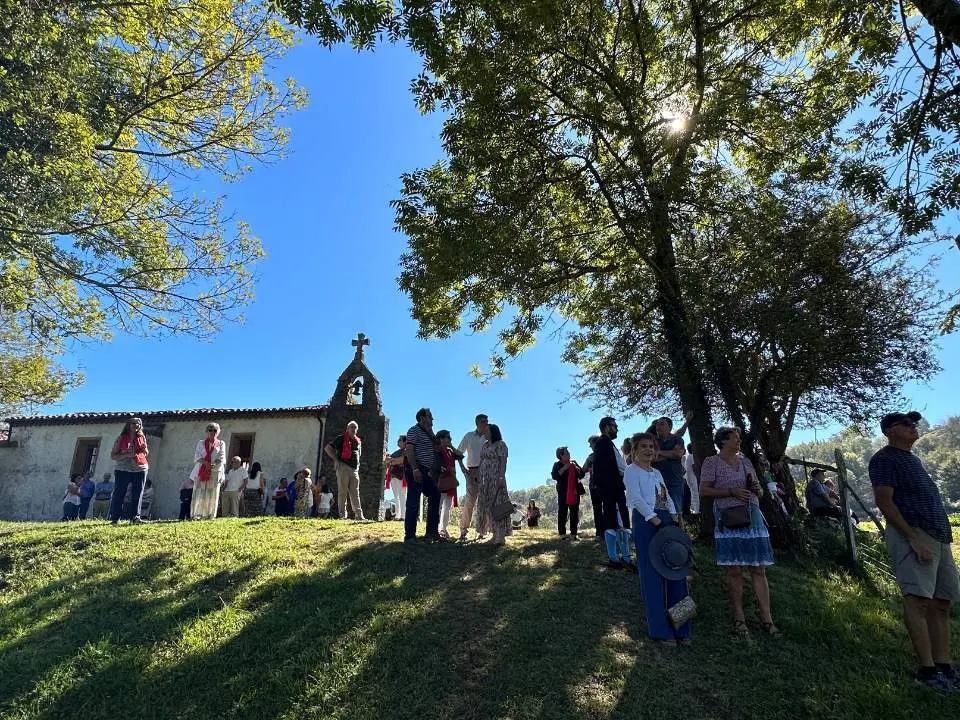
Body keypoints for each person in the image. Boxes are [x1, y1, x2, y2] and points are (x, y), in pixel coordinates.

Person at [870, 411, 959, 693]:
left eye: (914, 423)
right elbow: (884, 501)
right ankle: (927, 670)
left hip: (939, 536)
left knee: (942, 603)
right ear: (889, 430)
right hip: (916, 534)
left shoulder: (913, 460)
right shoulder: (884, 459)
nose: (913, 427)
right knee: (918, 600)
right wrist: (912, 538)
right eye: (906, 424)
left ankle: (944, 665)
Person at [699, 427, 780, 638]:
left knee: (758, 569)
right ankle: (738, 617)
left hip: (752, 515)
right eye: (735, 437)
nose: (738, 440)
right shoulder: (712, 462)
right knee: (734, 570)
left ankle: (767, 619)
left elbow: (760, 492)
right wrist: (731, 491)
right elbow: (704, 490)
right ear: (723, 441)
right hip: (728, 518)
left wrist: (756, 489)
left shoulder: (745, 461)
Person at [625, 432, 691, 642]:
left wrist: (673, 517)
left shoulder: (656, 473)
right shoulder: (631, 471)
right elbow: (635, 498)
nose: (648, 450)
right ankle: (661, 630)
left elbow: (667, 496)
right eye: (643, 446)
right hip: (647, 522)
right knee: (652, 577)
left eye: (651, 447)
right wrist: (656, 521)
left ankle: (683, 628)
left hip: (666, 520)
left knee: (678, 572)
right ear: (635, 450)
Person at [403, 408, 443, 543]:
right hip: (415, 468)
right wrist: (415, 469)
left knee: (435, 495)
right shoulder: (414, 430)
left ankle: (431, 533)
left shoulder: (430, 434)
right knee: (413, 501)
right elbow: (409, 450)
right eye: (430, 416)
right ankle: (409, 536)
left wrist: (431, 433)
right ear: (422, 418)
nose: (432, 419)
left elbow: (437, 448)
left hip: (427, 471)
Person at [474, 423, 511, 546]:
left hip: (496, 477)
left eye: (487, 430)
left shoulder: (501, 444)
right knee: (488, 505)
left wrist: (501, 477)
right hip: (485, 479)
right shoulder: (485, 445)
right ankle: (494, 533)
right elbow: (481, 462)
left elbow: (503, 461)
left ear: (492, 432)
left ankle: (500, 536)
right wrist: (479, 477)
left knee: (498, 505)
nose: (484, 431)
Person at [592, 417, 630, 536]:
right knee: (612, 519)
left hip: (612, 486)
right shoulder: (603, 443)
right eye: (614, 426)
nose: (617, 429)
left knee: (612, 516)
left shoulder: (606, 442)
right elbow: (616, 466)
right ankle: (615, 549)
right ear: (607, 427)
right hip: (611, 487)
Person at [109, 417, 149, 524]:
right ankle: (115, 518)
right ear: (128, 425)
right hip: (123, 469)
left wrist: (144, 450)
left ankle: (135, 518)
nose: (135, 425)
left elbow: (145, 453)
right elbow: (113, 456)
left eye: (138, 424)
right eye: (133, 423)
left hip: (140, 468)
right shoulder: (121, 438)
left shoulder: (142, 437)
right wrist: (126, 454)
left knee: (138, 493)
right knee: (119, 493)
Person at [457, 414, 489, 541]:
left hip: (486, 472)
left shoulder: (489, 437)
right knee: (470, 502)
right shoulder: (469, 436)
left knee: (484, 502)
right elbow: (458, 453)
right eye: (483, 421)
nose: (486, 423)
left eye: (487, 421)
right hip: (472, 472)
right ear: (477, 423)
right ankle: (463, 531)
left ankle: (482, 531)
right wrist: (463, 468)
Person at [325, 421, 366, 521]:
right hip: (343, 466)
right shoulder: (341, 438)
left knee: (355, 492)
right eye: (351, 427)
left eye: (355, 428)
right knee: (342, 491)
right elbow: (328, 448)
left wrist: (357, 468)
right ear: (347, 429)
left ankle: (359, 516)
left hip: (354, 469)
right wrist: (335, 460)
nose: (353, 429)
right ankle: (343, 515)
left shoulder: (358, 441)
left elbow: (358, 455)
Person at [650, 416, 689, 521]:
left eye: (662, 424)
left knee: (677, 512)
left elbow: (678, 454)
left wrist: (659, 453)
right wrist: (669, 454)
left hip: (674, 482)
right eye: (657, 424)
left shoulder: (677, 439)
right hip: (657, 483)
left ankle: (680, 535)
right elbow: (651, 458)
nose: (658, 426)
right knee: (660, 512)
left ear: (670, 427)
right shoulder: (652, 441)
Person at [190, 423, 226, 520]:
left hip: (215, 471)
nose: (212, 432)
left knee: (212, 493)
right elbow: (197, 456)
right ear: (207, 431)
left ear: (218, 432)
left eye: (215, 430)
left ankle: (210, 515)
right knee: (199, 492)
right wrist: (206, 463)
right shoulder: (201, 443)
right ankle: (196, 514)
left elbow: (221, 457)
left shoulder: (221, 443)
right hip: (201, 470)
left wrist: (213, 464)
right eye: (210, 430)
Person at [551, 446, 584, 540]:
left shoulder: (574, 463)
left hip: (574, 492)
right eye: (567, 452)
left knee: (574, 513)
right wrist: (565, 468)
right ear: (561, 455)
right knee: (562, 513)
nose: (569, 453)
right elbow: (555, 476)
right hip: (563, 493)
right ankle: (562, 534)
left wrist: (577, 469)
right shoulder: (557, 465)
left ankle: (574, 534)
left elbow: (582, 474)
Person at [436, 429, 464, 539]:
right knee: (438, 505)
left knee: (447, 506)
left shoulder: (450, 451)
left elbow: (460, 455)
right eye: (448, 438)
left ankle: (444, 528)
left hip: (450, 481)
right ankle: (437, 529)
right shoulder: (437, 450)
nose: (450, 440)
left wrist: (451, 446)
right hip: (440, 480)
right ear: (441, 438)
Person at [582, 435, 604, 538]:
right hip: (593, 486)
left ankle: (609, 530)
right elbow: (584, 469)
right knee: (597, 508)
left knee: (607, 507)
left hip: (604, 485)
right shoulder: (591, 456)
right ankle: (599, 532)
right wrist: (588, 460)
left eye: (591, 444)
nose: (590, 446)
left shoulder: (605, 453)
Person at [385, 436, 408, 521]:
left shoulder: (406, 451)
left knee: (402, 496)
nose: (398, 442)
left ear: (404, 442)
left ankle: (403, 516)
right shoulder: (396, 452)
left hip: (402, 476)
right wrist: (393, 460)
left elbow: (402, 460)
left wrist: (392, 460)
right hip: (393, 476)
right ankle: (398, 515)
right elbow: (387, 461)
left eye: (400, 440)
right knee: (396, 497)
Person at [682, 443, 700, 515]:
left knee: (694, 494)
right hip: (693, 478)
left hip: (690, 479)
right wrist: (699, 478)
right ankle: (697, 511)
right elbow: (695, 468)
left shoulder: (689, 457)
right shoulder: (692, 456)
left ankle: (696, 510)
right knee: (696, 494)